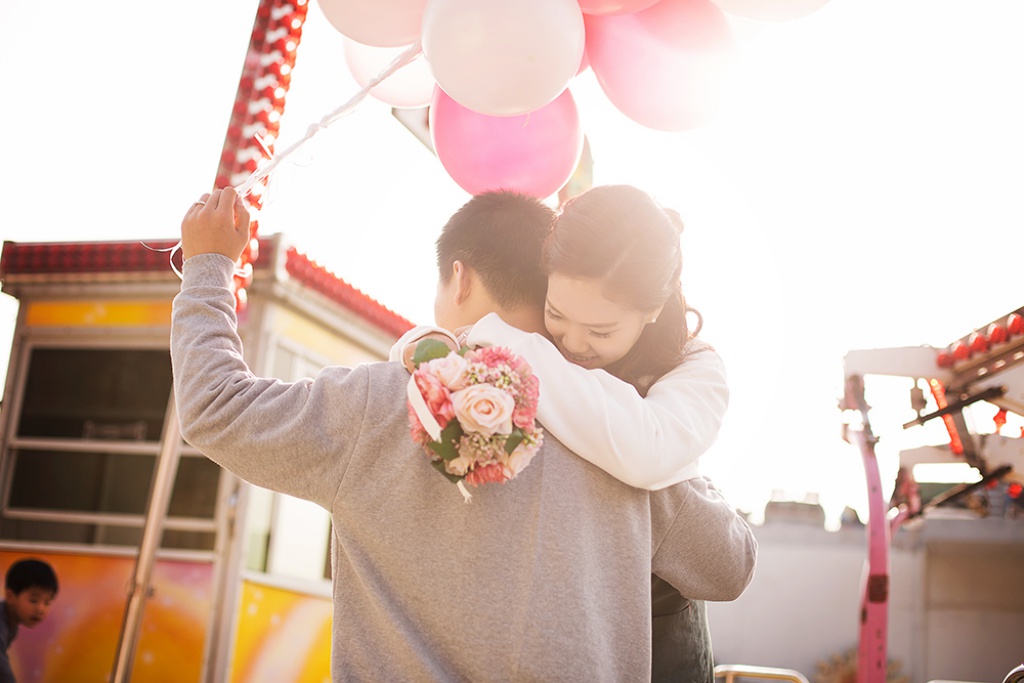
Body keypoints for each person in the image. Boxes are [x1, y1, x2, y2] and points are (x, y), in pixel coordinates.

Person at [171, 186, 756, 682]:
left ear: (460, 276)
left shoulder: (377, 405)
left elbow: (215, 408)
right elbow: (729, 566)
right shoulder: (628, 447)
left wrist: (209, 268)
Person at [393, 184, 729, 681]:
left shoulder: (696, 368)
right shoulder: (545, 342)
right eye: (556, 315)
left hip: (658, 622)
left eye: (600, 331)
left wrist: (502, 335)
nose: (571, 343)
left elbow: (646, 452)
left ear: (652, 310)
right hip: (558, 611)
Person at [1, 558, 58, 683]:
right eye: (33, 600)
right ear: (10, 596)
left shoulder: (11, 623)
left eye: (47, 602)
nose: (40, 609)